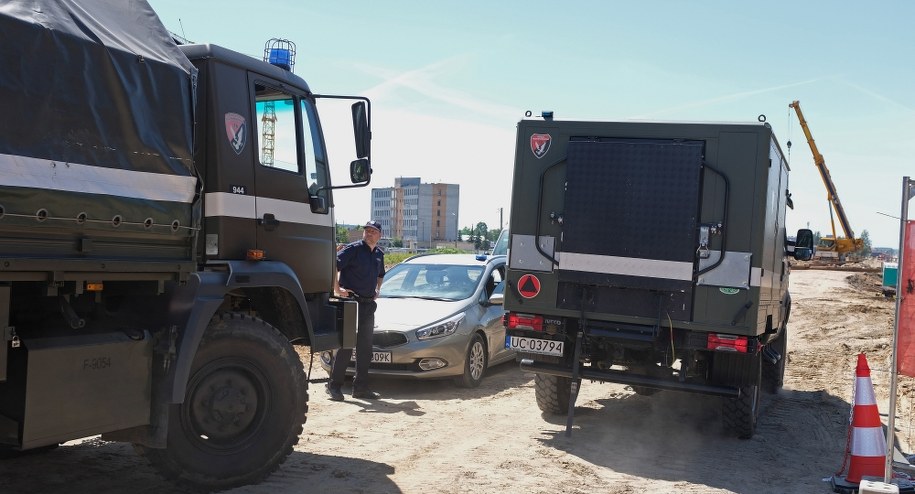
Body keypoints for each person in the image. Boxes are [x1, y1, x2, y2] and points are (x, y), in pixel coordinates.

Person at [326, 220, 386, 401]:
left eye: (373, 231)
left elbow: (381, 274)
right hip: (351, 303)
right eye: (367, 231)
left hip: (368, 305)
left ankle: (360, 388)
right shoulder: (353, 249)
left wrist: (378, 289)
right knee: (346, 345)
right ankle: (334, 386)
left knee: (365, 347)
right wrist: (337, 289)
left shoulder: (379, 254)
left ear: (380, 235)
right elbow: (333, 265)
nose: (369, 233)